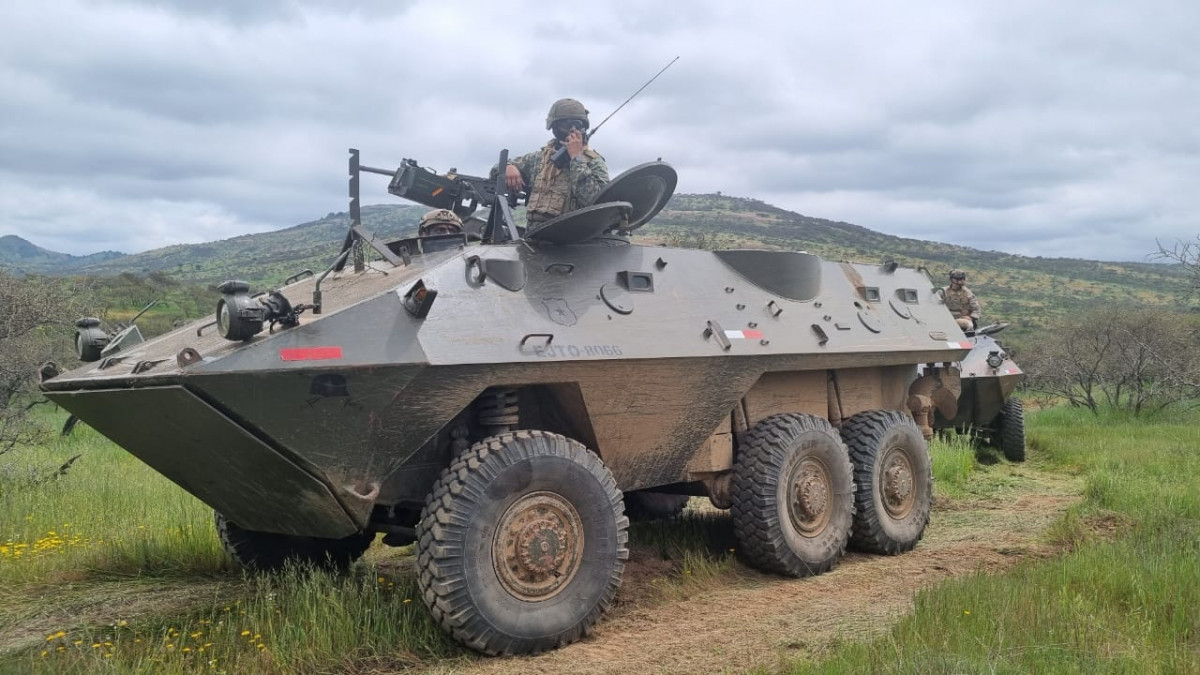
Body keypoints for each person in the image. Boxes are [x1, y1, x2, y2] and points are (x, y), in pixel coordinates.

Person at [494, 98, 609, 227]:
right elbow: (495, 171)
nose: (572, 130)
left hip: (573, 242)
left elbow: (597, 202)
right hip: (534, 238)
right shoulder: (539, 159)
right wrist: (508, 167)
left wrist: (577, 158)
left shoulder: (593, 162)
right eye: (566, 125)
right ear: (553, 127)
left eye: (577, 125)